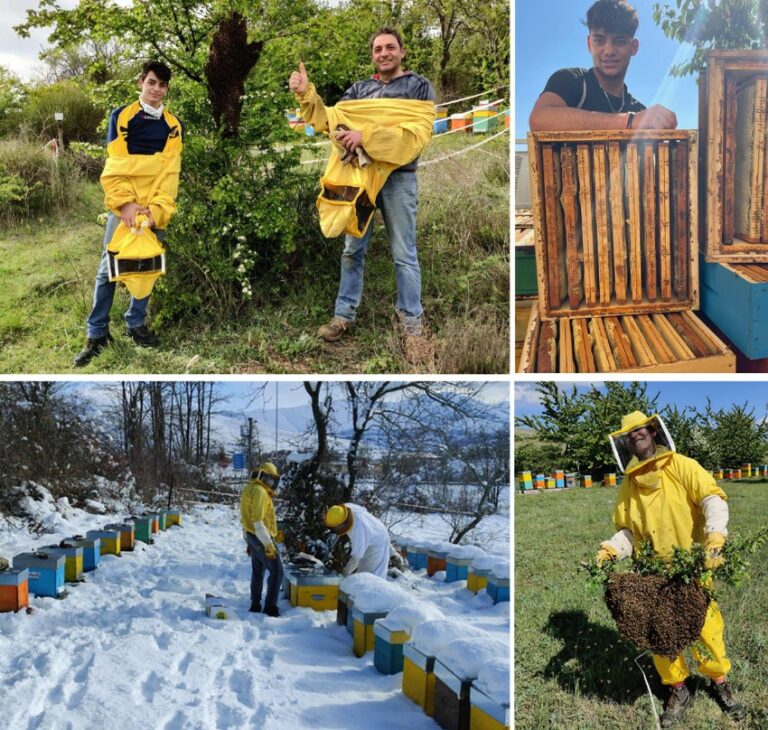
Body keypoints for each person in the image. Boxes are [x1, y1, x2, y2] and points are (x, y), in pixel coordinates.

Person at [289, 28, 436, 364]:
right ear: (373, 55)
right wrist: (306, 94)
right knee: (352, 248)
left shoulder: (419, 86)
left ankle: (413, 327)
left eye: (390, 47)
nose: (383, 53)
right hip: (360, 176)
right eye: (377, 49)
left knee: (404, 253)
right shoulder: (359, 90)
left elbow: (417, 134)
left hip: (399, 178)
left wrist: (365, 134)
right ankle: (343, 316)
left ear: (402, 52)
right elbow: (330, 121)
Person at [597, 411, 746, 727]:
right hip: (653, 575)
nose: (636, 437)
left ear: (653, 432)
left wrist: (715, 537)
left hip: (692, 567)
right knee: (661, 635)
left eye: (641, 432)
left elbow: (712, 500)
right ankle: (678, 689)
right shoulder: (629, 485)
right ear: (625, 444)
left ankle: (719, 682)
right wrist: (612, 548)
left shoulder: (683, 466)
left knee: (708, 630)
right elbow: (628, 532)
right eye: (630, 436)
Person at [74, 60, 183, 367]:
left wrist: (156, 209)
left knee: (148, 264)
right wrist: (125, 206)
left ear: (166, 89)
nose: (156, 90)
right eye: (151, 83)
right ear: (141, 83)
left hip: (154, 207)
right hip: (125, 206)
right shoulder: (121, 117)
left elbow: (170, 172)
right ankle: (97, 334)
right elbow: (116, 165)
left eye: (162, 85)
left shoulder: (173, 126)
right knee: (108, 268)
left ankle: (136, 324)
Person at [529, 0, 677, 131]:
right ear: (589, 44)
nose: (609, 51)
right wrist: (629, 121)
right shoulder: (571, 81)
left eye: (619, 41)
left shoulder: (639, 111)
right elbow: (539, 119)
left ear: (633, 47)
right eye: (599, 40)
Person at [240, 463, 284, 617]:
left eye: (274, 480)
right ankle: (270, 607)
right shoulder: (260, 491)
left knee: (258, 570)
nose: (272, 484)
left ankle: (255, 604)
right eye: (270, 480)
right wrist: (268, 544)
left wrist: (248, 541)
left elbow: (245, 518)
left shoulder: (248, 488)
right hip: (261, 537)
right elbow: (258, 522)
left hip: (252, 536)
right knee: (277, 571)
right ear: (263, 476)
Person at [324, 503, 391, 579]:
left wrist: (343, 575)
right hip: (371, 530)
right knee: (361, 576)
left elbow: (356, 558)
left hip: (378, 541)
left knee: (371, 577)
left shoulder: (358, 529)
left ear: (342, 524)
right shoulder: (341, 511)